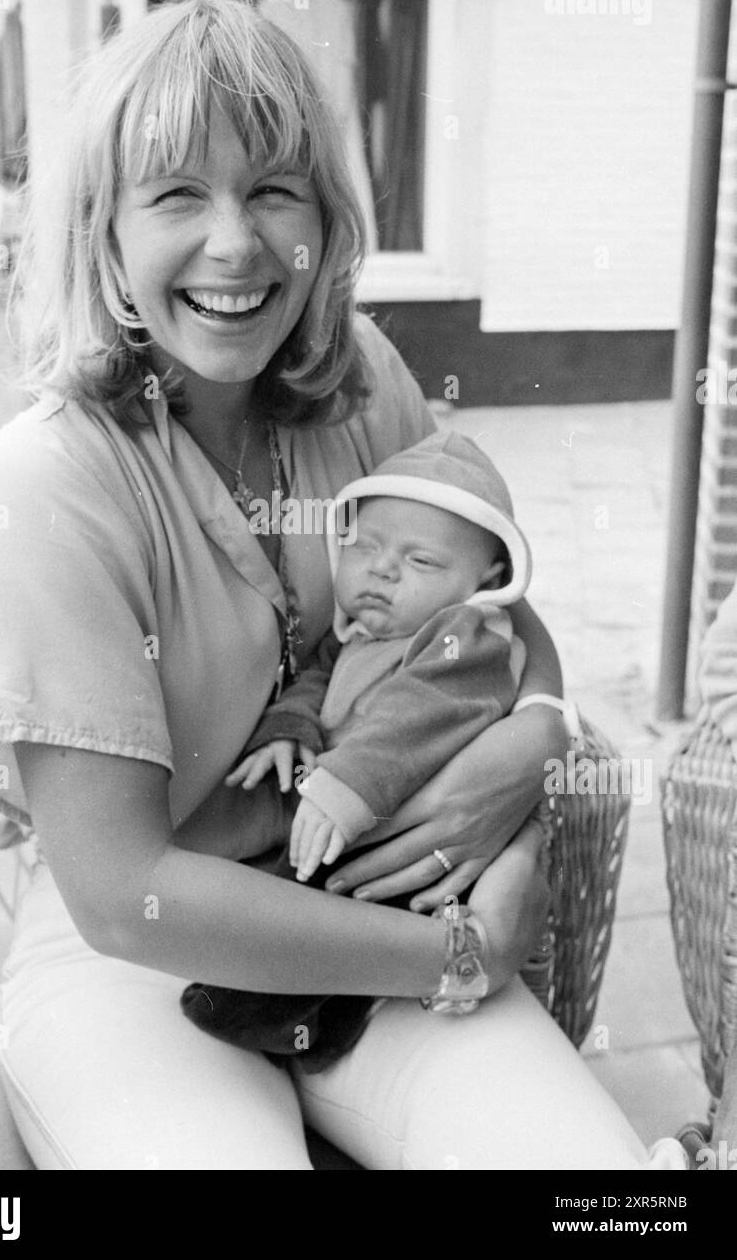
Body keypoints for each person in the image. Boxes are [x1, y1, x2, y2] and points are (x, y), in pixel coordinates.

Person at [0, 0, 685, 1169]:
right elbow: (118, 888)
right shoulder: (45, 485)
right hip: (142, 955)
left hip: (370, 893)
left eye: (273, 190)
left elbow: (495, 605)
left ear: (323, 222)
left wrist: (535, 736)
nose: (235, 242)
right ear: (103, 232)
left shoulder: (362, 380)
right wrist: (458, 952)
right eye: (178, 193)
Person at [183, 429, 540, 1067]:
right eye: (364, 546)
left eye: (422, 562)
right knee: (297, 905)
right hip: (346, 822)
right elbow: (316, 681)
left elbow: (422, 712)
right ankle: (298, 1015)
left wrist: (347, 785)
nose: (381, 569)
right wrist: (289, 729)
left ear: (486, 579)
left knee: (365, 915)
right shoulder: (355, 632)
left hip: (418, 837)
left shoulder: (466, 638)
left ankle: (308, 1010)